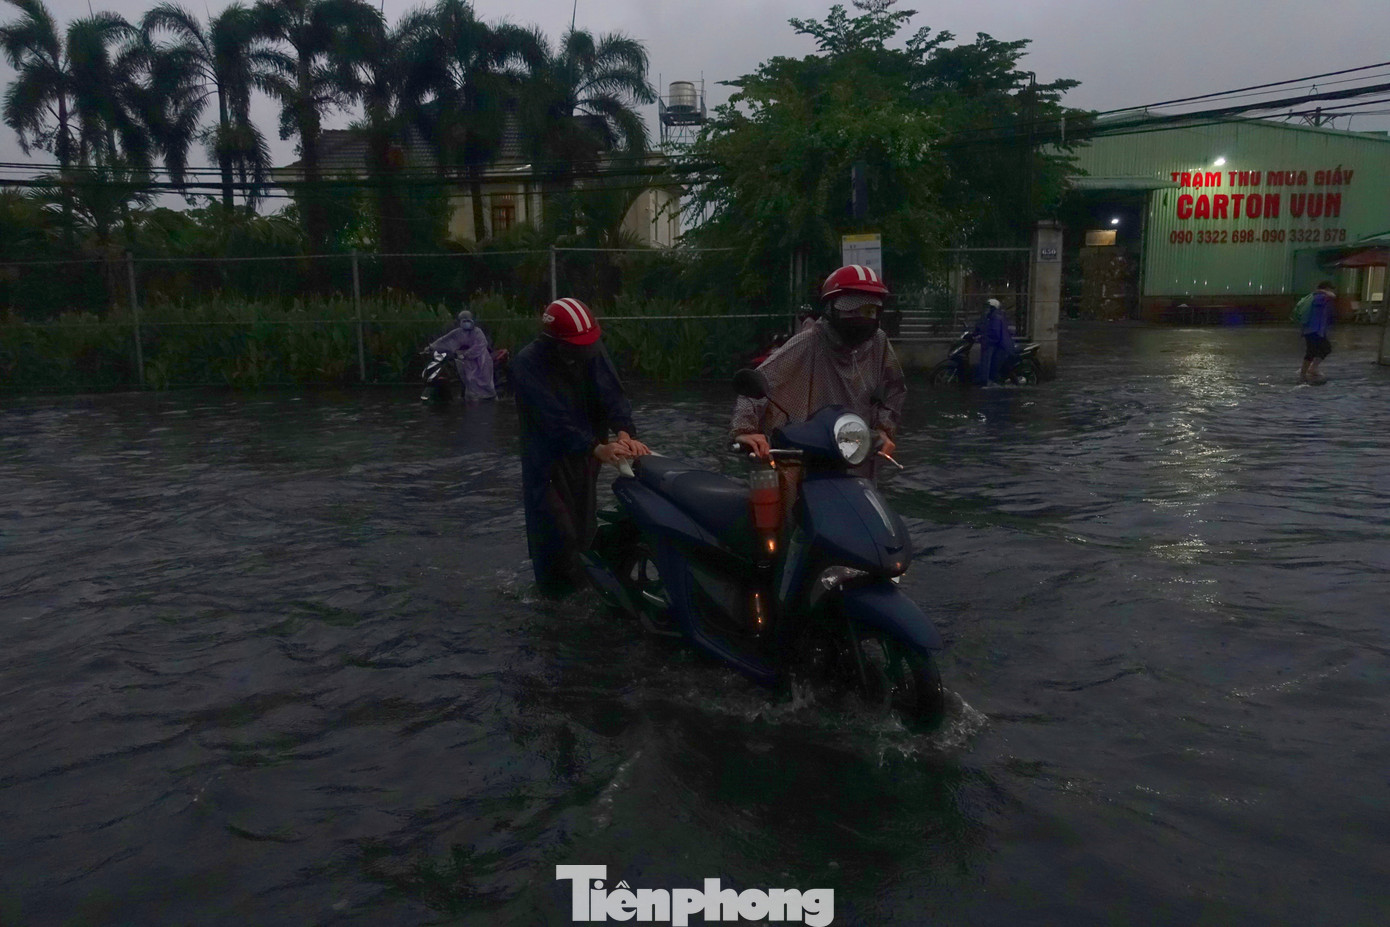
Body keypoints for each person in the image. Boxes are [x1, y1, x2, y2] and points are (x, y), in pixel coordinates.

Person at [511, 298, 650, 596]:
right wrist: (595, 447)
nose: (586, 349)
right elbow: (552, 419)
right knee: (555, 532)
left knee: (584, 531)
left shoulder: (590, 349)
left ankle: (584, 591)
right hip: (547, 463)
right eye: (578, 345)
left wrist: (625, 431)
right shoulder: (527, 363)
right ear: (555, 343)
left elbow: (611, 392)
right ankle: (553, 600)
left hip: (586, 457)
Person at [732, 264, 906, 479]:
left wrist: (883, 429)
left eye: (869, 311)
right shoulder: (809, 342)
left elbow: (895, 389)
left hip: (856, 451)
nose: (861, 318)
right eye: (851, 310)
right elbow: (758, 383)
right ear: (831, 309)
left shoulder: (878, 342)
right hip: (808, 453)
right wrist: (746, 431)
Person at [427, 310, 496, 400]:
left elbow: (480, 345)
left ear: (472, 321)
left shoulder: (477, 332)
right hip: (464, 360)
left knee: (482, 378)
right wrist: (431, 347)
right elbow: (445, 340)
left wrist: (467, 354)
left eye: (468, 321)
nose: (466, 323)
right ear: (460, 322)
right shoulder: (458, 332)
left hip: (481, 359)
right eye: (464, 321)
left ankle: (489, 397)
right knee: (468, 379)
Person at [973, 298, 1016, 386]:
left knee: (989, 361)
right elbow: (981, 326)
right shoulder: (989, 317)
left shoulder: (996, 318)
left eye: (989, 307)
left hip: (1001, 346)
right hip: (996, 343)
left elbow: (994, 334)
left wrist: (983, 338)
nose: (986, 309)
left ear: (994, 308)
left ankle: (988, 381)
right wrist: (974, 334)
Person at [1300, 280, 1336, 385]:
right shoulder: (1319, 297)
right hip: (1313, 330)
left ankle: (1312, 368)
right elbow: (1332, 296)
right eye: (1330, 288)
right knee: (1311, 351)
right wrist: (1323, 291)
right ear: (1326, 288)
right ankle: (1304, 373)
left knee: (1325, 348)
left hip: (1315, 329)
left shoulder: (1313, 297)